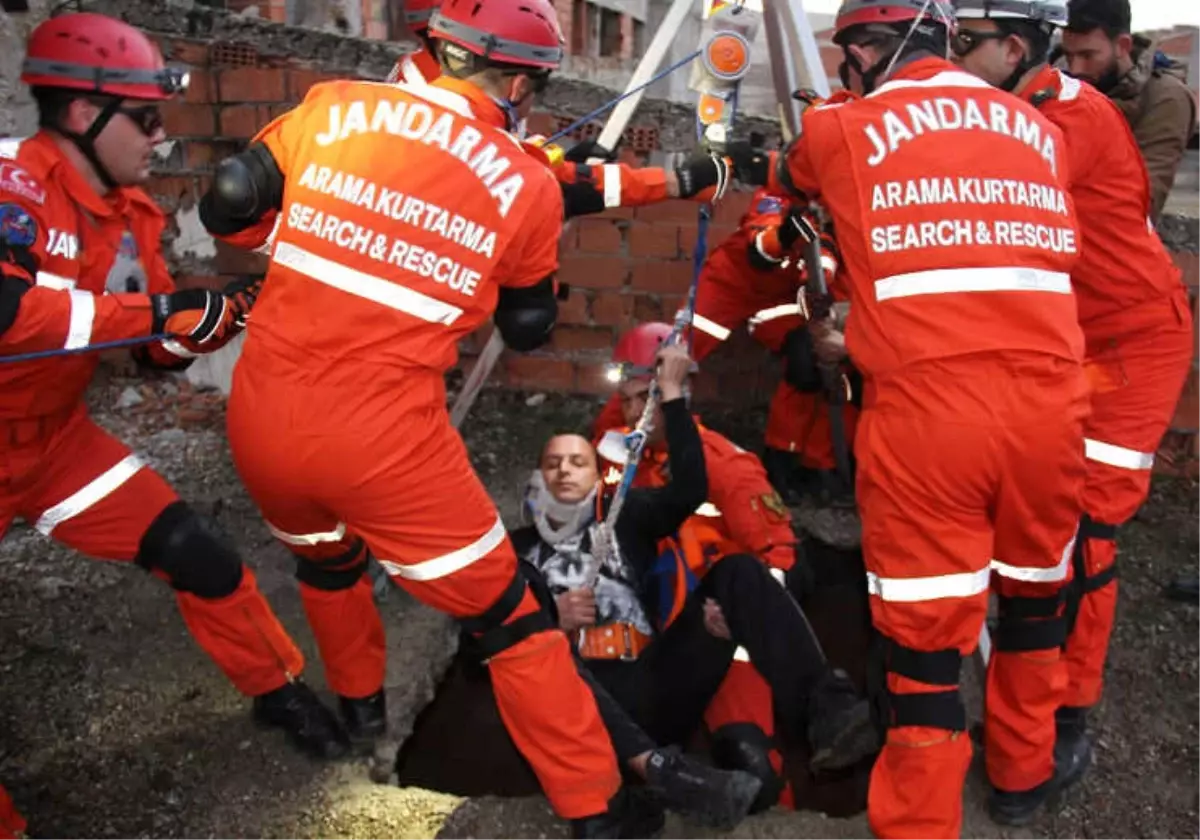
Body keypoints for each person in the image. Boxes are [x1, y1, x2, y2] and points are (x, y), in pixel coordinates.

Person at [197, 1, 638, 836]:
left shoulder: (330, 106)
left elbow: (231, 206)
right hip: (383, 444)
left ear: (436, 50)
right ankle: (596, 806)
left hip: (262, 416)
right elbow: (528, 325)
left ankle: (361, 713)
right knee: (511, 615)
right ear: (515, 79)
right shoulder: (528, 181)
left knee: (328, 565)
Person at [724, 0, 1091, 835]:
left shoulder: (847, 126)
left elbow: (791, 190)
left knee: (926, 649)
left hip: (932, 419)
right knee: (1036, 605)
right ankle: (1021, 778)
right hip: (1050, 410)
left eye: (847, 55)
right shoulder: (1037, 128)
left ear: (870, 48)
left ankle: (922, 823)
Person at [0, 23, 351, 840]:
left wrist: (211, 319)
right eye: (146, 119)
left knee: (201, 555)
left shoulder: (134, 218)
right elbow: (8, 313)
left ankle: (280, 694)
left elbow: (151, 348)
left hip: (51, 444)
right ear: (83, 110)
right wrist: (158, 314)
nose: (163, 136)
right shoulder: (12, 179)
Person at [951, 0, 1195, 815]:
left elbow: (981, 212)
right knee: (1038, 521)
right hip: (1074, 349)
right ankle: (1032, 675)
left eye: (966, 44)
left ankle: (1071, 708)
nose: (952, 58)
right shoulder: (1017, 111)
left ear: (1015, 48)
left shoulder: (1066, 120)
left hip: (1129, 351)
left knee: (1086, 533)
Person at [518, 343, 876, 810]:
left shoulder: (721, 464)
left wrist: (741, 620)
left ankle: (826, 712)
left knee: (751, 766)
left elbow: (783, 558)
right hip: (644, 634)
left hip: (717, 626)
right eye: (626, 401)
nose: (632, 412)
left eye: (643, 400)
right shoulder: (616, 452)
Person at [384, 0, 732, 218]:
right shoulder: (458, 112)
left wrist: (558, 165)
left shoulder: (427, 80)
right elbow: (512, 169)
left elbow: (513, 155)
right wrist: (675, 183)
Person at [1060, 0, 1196, 222]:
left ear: (1123, 45)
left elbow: (1141, 200)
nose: (1075, 69)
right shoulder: (1060, 85)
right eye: (1069, 56)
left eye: (1087, 56)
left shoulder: (1165, 98)